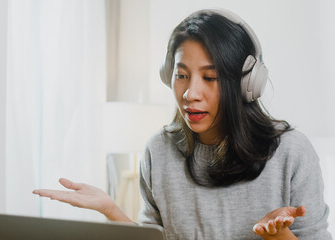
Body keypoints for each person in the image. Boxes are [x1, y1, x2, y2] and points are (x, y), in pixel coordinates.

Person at [33, 8, 332, 240]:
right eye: (182, 75)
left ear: (246, 84)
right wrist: (111, 210)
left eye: (210, 78)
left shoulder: (292, 153)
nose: (190, 94)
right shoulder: (158, 151)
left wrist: (279, 235)